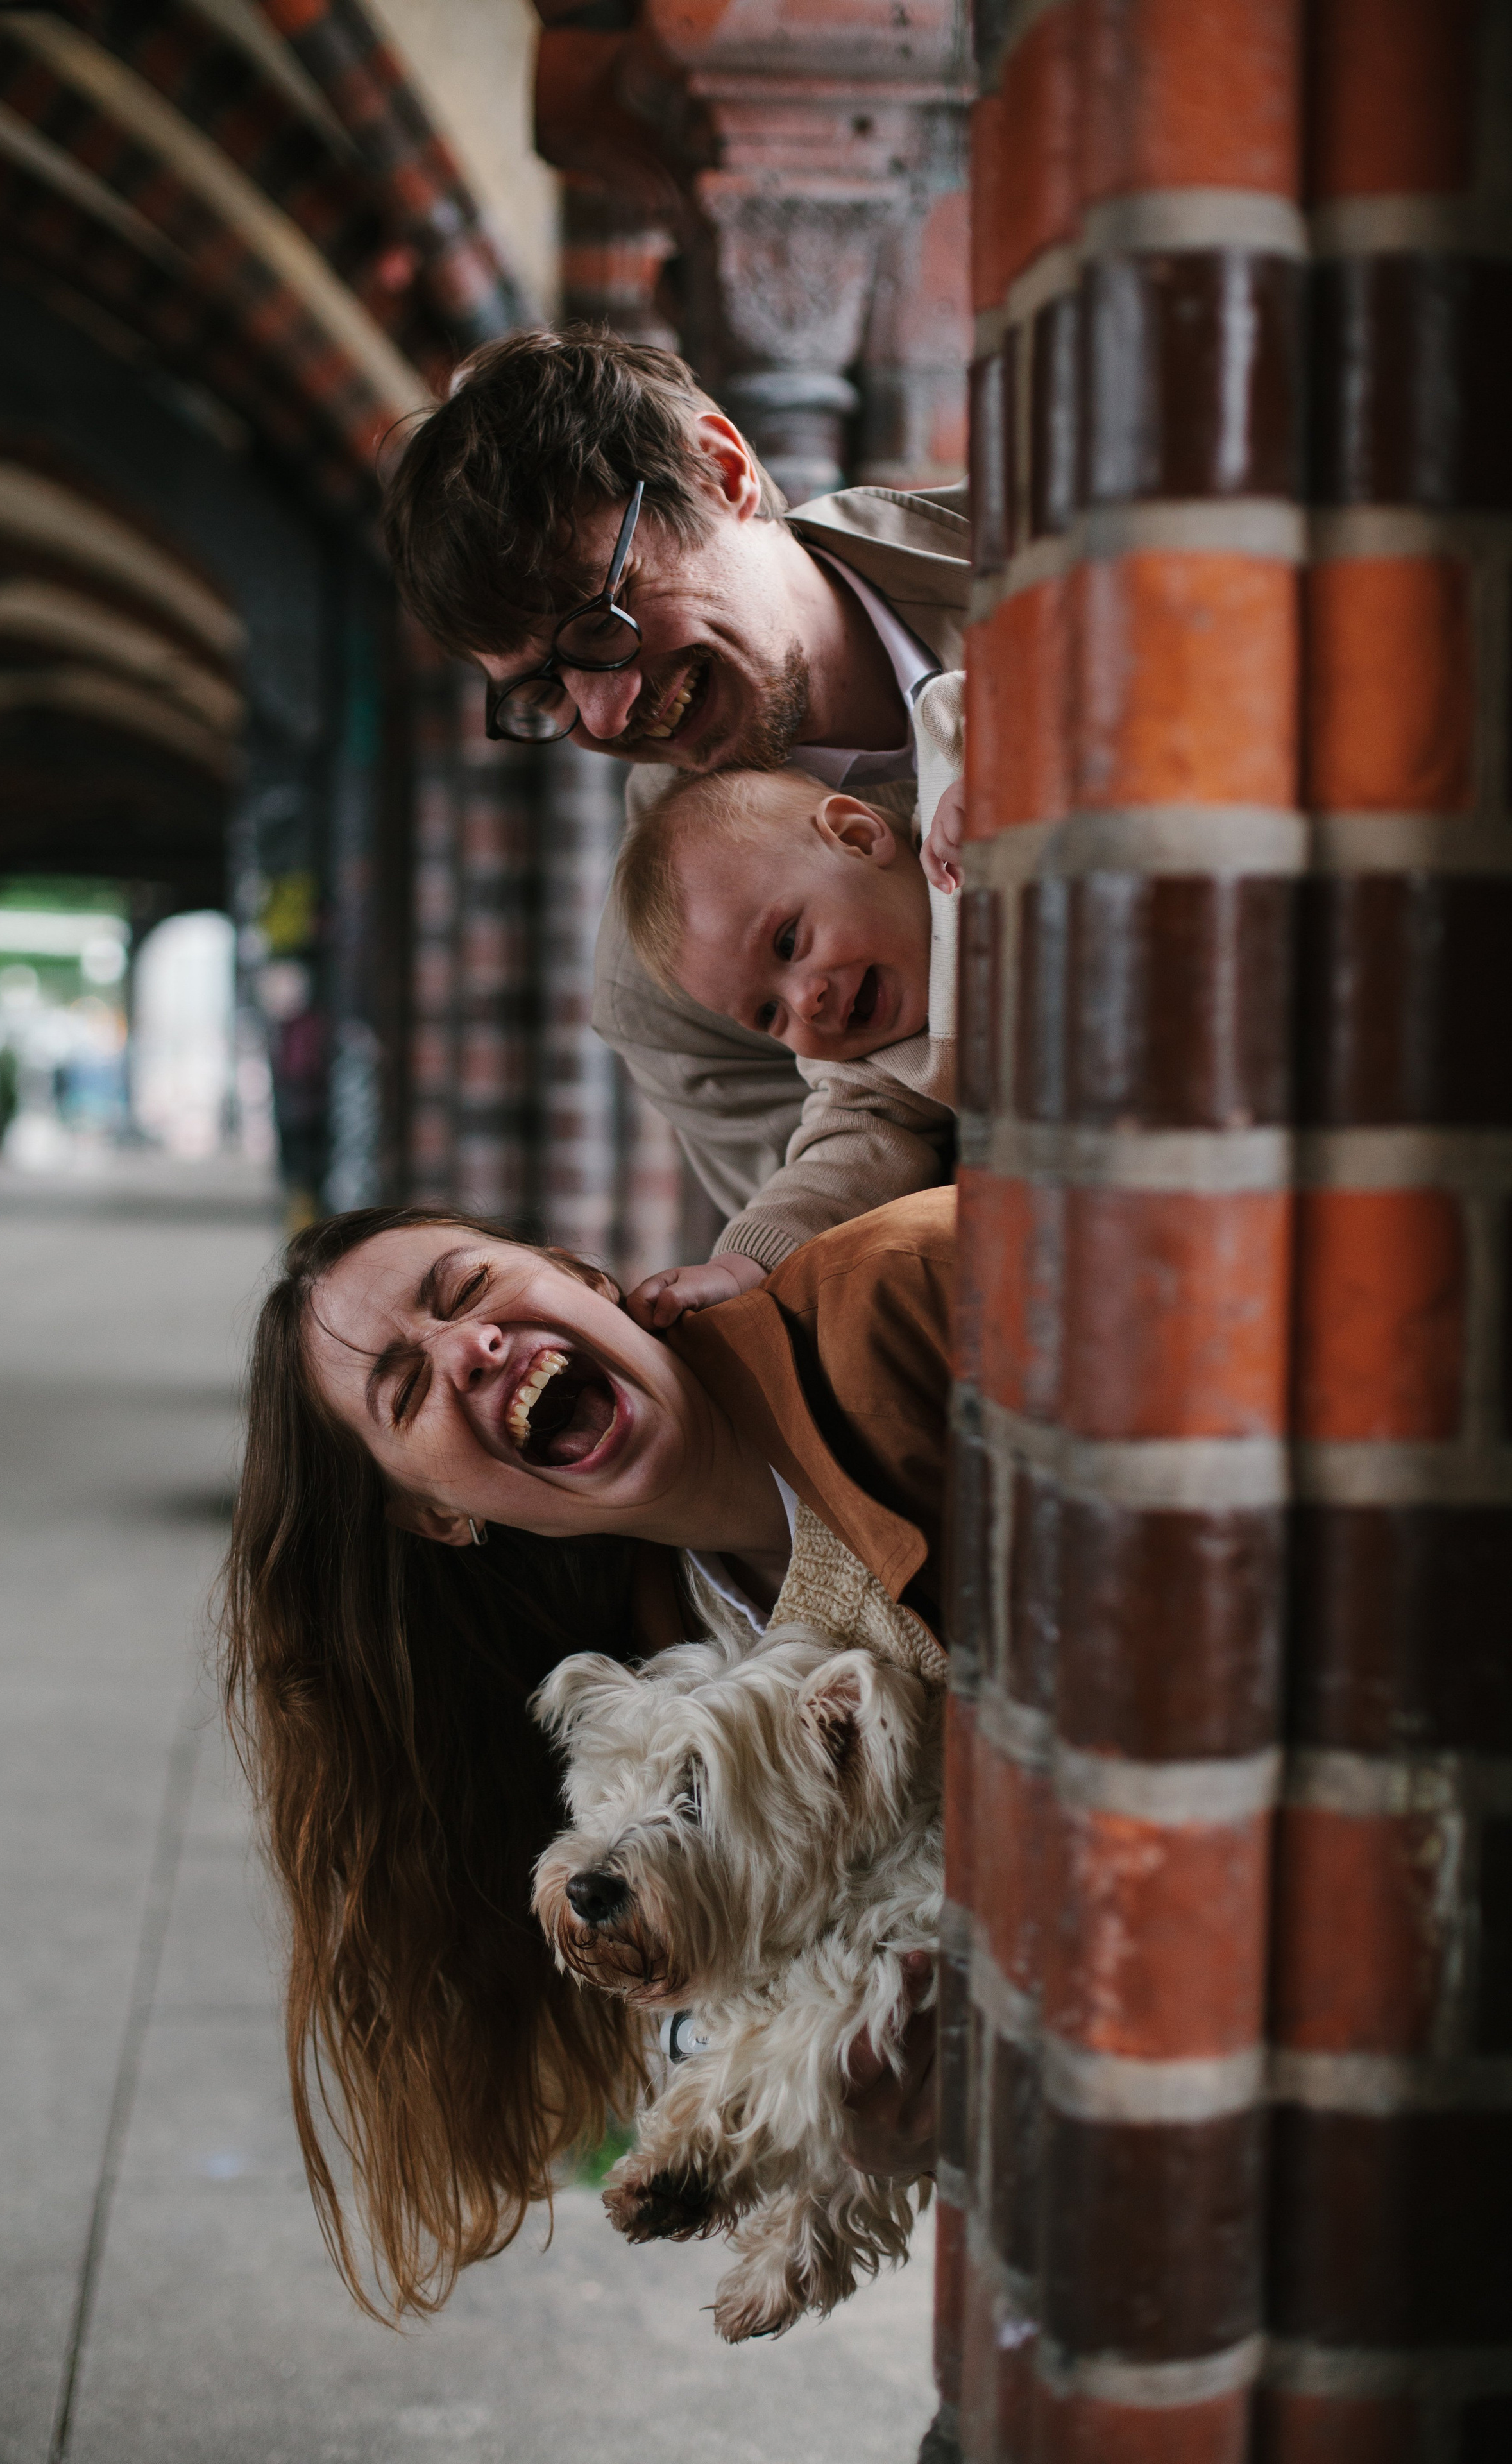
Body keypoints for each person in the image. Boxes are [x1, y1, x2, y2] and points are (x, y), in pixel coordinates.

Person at [220, 1186, 952, 2320]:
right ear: (434, 1515)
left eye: (468, 1291)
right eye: (408, 1389)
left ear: (583, 1277)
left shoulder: (905, 1299)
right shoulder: (659, 1647)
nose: (473, 1348)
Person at [380, 327, 971, 1265]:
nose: (605, 719)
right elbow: (868, 1270)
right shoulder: (665, 986)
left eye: (597, 624)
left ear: (719, 469)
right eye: (544, 690)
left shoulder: (1052, 554)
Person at [609, 672, 967, 1320]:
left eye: (787, 941)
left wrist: (1013, 778)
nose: (805, 1003)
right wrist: (740, 1265)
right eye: (767, 1014)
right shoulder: (872, 1074)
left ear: (858, 838)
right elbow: (840, 1166)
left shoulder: (955, 773)